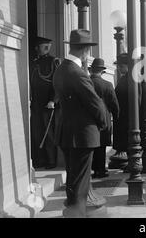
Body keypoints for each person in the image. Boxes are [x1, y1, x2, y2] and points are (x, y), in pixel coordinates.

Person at [53, 29, 107, 218]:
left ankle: (72, 213)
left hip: (67, 133)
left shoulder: (60, 69)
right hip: (82, 136)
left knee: (73, 180)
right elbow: (96, 105)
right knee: (81, 184)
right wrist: (103, 123)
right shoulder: (78, 74)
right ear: (85, 51)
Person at [30, 36, 60, 169]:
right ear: (37, 48)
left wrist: (53, 100)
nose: (47, 48)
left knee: (48, 135)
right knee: (37, 133)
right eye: (44, 46)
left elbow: (57, 83)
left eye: (48, 46)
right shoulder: (34, 62)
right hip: (36, 104)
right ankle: (39, 160)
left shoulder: (54, 62)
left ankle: (51, 160)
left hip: (48, 104)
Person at [109, 53, 142, 170]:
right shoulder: (128, 78)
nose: (118, 68)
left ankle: (133, 163)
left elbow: (136, 101)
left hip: (128, 117)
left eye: (120, 66)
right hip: (126, 117)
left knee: (129, 142)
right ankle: (131, 162)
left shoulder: (131, 79)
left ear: (126, 66)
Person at [89, 58, 120, 179]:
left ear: (91, 70)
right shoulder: (107, 85)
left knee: (92, 145)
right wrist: (116, 116)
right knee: (101, 146)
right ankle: (100, 170)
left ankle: (93, 168)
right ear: (102, 71)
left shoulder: (86, 82)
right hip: (104, 118)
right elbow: (114, 104)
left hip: (90, 119)